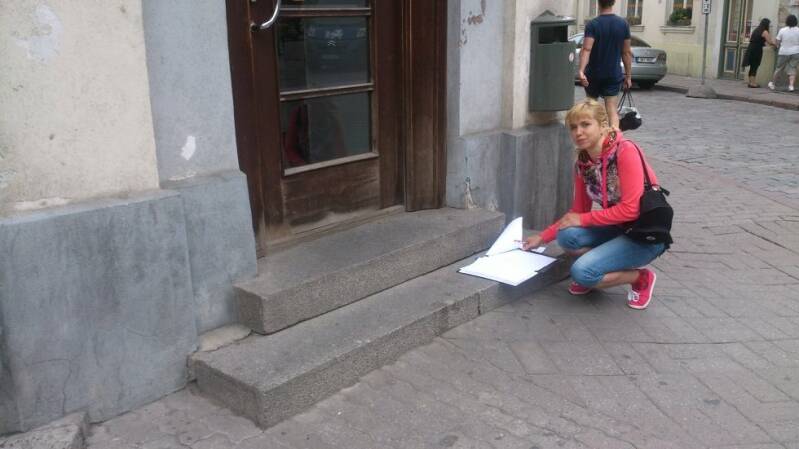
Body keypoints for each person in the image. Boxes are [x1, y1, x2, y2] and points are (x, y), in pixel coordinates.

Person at [522, 99, 667, 310]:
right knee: (567, 235)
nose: (578, 132)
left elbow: (630, 210)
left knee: (582, 273)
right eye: (573, 127)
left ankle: (640, 278)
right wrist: (542, 237)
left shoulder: (625, 151)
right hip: (618, 228)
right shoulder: (583, 163)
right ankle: (598, 266)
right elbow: (578, 211)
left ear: (602, 126)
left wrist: (582, 220)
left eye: (585, 124)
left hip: (644, 235)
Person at [577, 0, 633, 130]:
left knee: (591, 110)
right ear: (613, 3)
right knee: (612, 111)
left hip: (593, 75)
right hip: (613, 74)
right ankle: (615, 140)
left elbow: (586, 49)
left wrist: (581, 70)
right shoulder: (623, 24)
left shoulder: (593, 24)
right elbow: (626, 52)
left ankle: (593, 138)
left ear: (598, 3)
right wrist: (628, 76)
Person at [742, 18, 777, 88]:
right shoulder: (764, 32)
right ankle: (752, 83)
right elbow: (769, 42)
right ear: (766, 24)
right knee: (755, 66)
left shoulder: (757, 30)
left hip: (751, 48)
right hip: (756, 50)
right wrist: (775, 45)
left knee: (752, 66)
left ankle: (751, 82)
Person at [768, 14, 799, 92]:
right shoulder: (798, 30)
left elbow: (777, 41)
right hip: (795, 52)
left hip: (784, 52)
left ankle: (773, 84)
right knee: (792, 68)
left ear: (787, 21)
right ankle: (791, 86)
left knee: (779, 68)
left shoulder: (782, 30)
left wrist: (777, 46)